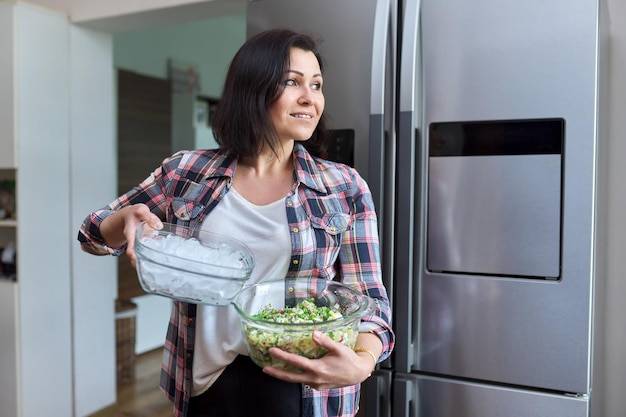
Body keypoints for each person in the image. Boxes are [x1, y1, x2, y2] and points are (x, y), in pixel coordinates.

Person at [78, 28, 394, 417]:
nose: (310, 98)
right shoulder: (185, 172)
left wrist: (362, 362)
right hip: (206, 386)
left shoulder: (343, 186)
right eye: (292, 82)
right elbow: (91, 234)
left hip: (305, 390)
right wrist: (124, 220)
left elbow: (371, 301)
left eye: (316, 85)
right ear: (253, 90)